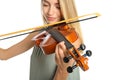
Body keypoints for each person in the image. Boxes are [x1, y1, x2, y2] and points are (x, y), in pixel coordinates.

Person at [0, 0, 84, 80]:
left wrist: (63, 70)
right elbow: (5, 54)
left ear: (66, 8)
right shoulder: (41, 33)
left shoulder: (72, 40)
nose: (50, 12)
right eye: (45, 5)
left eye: (58, 7)